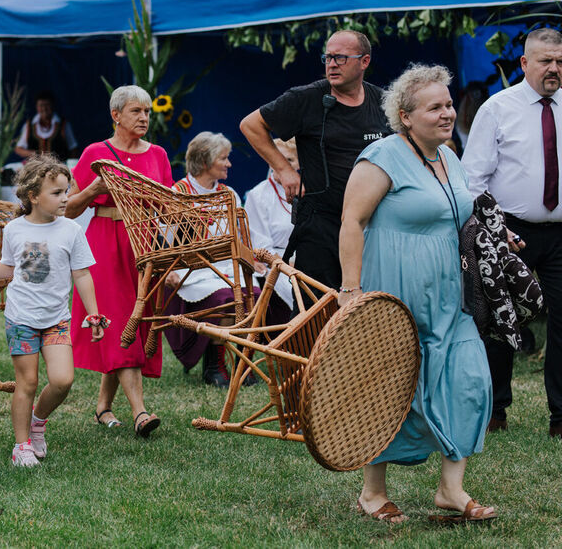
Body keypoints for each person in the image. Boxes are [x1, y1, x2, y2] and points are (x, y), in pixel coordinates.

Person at [340, 63, 495, 524]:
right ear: (406, 116)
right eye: (436, 107)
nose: (448, 113)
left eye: (449, 104)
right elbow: (352, 222)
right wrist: (351, 289)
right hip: (395, 294)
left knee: (470, 381)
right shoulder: (383, 157)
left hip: (452, 295)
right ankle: (373, 493)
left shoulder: (449, 156)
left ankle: (451, 490)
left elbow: (459, 214)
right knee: (388, 390)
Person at [0, 155, 105, 467]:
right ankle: (22, 445)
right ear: (33, 197)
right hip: (22, 319)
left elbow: (81, 274)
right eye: (57, 193)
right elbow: (9, 267)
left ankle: (38, 421)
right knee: (27, 383)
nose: (66, 197)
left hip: (56, 319)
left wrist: (93, 314)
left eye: (67, 191)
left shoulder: (71, 231)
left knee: (63, 380)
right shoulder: (14, 229)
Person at [462, 27, 562, 440]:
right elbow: (472, 177)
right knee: (502, 319)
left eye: (560, 62)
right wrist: (494, 228)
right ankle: (496, 408)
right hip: (508, 231)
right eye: (545, 61)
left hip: (560, 234)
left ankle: (561, 416)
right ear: (525, 63)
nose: (554, 69)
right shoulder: (497, 108)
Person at [240, 30, 391, 289]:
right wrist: (284, 170)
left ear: (364, 61)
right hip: (321, 224)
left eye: (340, 58)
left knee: (368, 310)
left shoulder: (382, 102)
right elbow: (251, 125)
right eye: (328, 57)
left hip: (373, 224)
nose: (331, 64)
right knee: (315, 313)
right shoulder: (307, 98)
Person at [66, 85, 172, 437]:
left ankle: (102, 407)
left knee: (135, 320)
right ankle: (141, 412)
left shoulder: (158, 153)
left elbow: (168, 206)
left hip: (144, 245)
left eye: (146, 112)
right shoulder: (96, 152)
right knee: (120, 321)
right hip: (104, 243)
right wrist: (92, 190)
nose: (144, 118)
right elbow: (67, 208)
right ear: (116, 116)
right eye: (136, 111)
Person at [161, 132, 262, 388]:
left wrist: (252, 259)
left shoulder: (229, 194)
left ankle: (240, 361)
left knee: (255, 293)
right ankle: (213, 366)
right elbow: (163, 239)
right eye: (224, 158)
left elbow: (240, 238)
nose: (229, 164)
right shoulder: (178, 193)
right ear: (206, 162)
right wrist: (168, 269)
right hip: (188, 271)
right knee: (226, 298)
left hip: (224, 267)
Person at [244, 138, 299, 309]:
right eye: (277, 158)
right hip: (276, 263)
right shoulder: (258, 195)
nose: (281, 164)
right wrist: (289, 263)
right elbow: (261, 245)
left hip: (308, 258)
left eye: (289, 160)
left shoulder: (308, 189)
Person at [14, 91, 79, 159]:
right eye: (41, 105)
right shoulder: (29, 125)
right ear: (37, 107)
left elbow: (73, 148)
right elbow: (19, 149)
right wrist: (34, 154)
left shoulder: (63, 125)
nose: (44, 108)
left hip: (58, 167)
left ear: (52, 106)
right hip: (35, 167)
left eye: (47, 105)